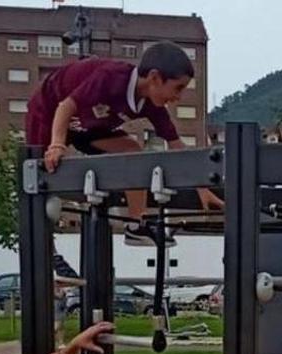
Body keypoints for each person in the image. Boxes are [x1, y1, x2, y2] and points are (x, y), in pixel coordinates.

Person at [27, 41, 223, 247]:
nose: (178, 97)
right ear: (155, 78)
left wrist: (201, 188)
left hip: (88, 127)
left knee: (132, 151)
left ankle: (136, 225)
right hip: (50, 114)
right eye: (178, 88)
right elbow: (65, 106)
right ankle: (41, 243)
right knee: (40, 173)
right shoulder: (111, 77)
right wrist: (57, 144)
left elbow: (176, 146)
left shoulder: (151, 105)